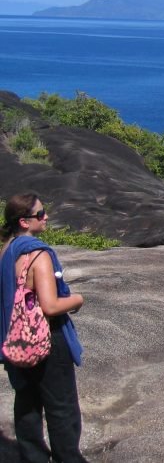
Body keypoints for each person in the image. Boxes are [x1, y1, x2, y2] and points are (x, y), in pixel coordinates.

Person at [1, 193, 86, 462]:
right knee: (62, 409)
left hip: (14, 339)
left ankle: (32, 456)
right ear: (24, 222)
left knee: (27, 403)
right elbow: (49, 306)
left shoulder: (6, 250)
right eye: (40, 214)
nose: (45, 217)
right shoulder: (38, 254)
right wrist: (77, 300)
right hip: (46, 339)